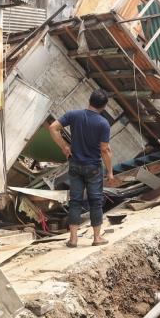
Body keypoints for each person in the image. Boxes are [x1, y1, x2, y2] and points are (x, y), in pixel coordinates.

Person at [49, 89, 114, 248]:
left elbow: (53, 127)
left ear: (89, 100)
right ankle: (97, 238)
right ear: (104, 106)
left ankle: (73, 239)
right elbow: (105, 150)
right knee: (95, 201)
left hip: (75, 165)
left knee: (75, 201)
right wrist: (110, 172)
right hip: (93, 168)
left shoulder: (74, 115)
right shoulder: (103, 123)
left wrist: (64, 147)